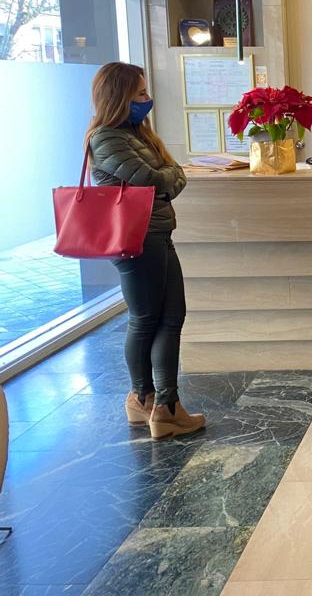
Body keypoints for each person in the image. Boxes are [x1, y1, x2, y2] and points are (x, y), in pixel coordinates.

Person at [86, 62, 206, 439]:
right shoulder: (106, 138)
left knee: (170, 317)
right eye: (139, 93)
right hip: (137, 239)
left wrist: (169, 176)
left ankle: (161, 404)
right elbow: (157, 180)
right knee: (147, 319)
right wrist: (172, 175)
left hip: (155, 233)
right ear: (118, 97)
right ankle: (149, 401)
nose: (147, 99)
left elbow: (165, 178)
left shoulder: (135, 135)